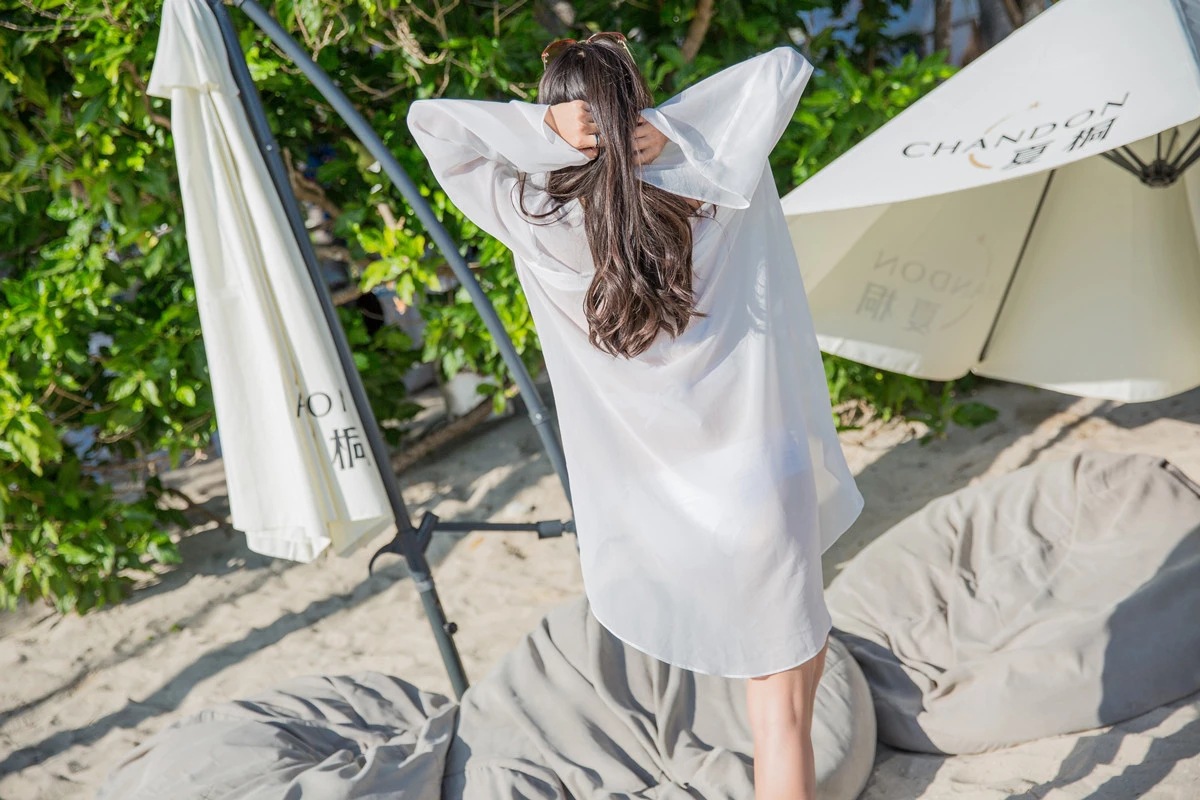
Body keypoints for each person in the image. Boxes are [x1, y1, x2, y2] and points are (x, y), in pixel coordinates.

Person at [407, 33, 865, 800]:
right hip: (762, 479)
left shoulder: (535, 221)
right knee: (785, 715)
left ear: (560, 118)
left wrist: (546, 132)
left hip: (665, 512)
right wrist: (674, 134)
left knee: (778, 705)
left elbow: (433, 124)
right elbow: (781, 71)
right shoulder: (715, 189)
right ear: (639, 103)